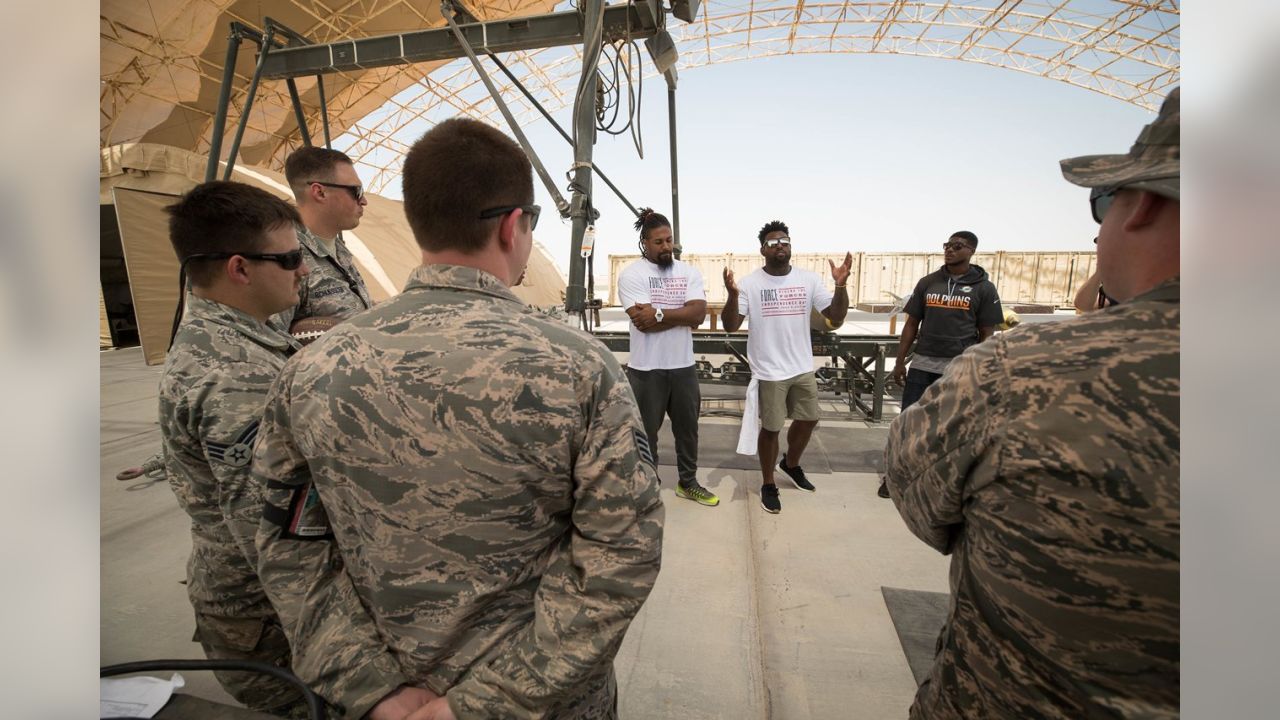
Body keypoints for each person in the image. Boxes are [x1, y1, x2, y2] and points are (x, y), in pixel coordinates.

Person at [253, 117, 665, 720]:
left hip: (376, 701)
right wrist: (481, 704)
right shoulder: (579, 367)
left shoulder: (312, 369)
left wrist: (371, 689)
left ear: (420, 221)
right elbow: (621, 554)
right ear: (511, 225)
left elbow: (288, 544)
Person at [883, 87, 1180, 719]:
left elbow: (920, 498)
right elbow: (911, 320)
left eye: (1105, 202)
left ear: (1145, 203)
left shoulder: (1019, 377)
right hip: (927, 366)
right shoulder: (933, 286)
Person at [157, 181, 310, 717]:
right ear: (240, 269)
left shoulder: (237, 343)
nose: (304, 271)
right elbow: (277, 539)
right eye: (291, 258)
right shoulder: (234, 377)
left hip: (259, 609)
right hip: (273, 623)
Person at [721, 221, 852, 514]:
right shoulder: (751, 284)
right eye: (772, 242)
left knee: (809, 420)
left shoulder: (809, 280)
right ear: (762, 250)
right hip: (769, 370)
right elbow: (730, 326)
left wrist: (840, 285)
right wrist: (731, 295)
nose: (780, 245)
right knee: (771, 428)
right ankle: (768, 483)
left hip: (802, 366)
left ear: (790, 246)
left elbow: (836, 315)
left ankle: (790, 464)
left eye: (785, 240)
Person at [879, 230, 1003, 498]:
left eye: (958, 246)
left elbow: (986, 333)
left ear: (971, 251)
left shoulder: (983, 288)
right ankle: (894, 478)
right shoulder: (928, 283)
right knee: (909, 424)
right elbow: (912, 324)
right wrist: (900, 362)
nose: (950, 250)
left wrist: (979, 369)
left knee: (950, 428)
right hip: (922, 365)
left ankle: (938, 481)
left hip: (958, 369)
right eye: (947, 245)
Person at [616, 207, 717, 507]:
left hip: (683, 367)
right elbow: (642, 324)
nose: (666, 247)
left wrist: (659, 312)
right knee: (646, 435)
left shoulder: (688, 272)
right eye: (659, 242)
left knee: (688, 431)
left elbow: (698, 314)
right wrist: (681, 315)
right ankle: (649, 485)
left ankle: (689, 483)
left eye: (669, 240)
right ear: (644, 243)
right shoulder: (632, 275)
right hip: (646, 370)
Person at [276, 146, 373, 327]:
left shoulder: (338, 251)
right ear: (320, 192)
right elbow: (267, 340)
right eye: (356, 191)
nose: (364, 201)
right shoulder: (286, 258)